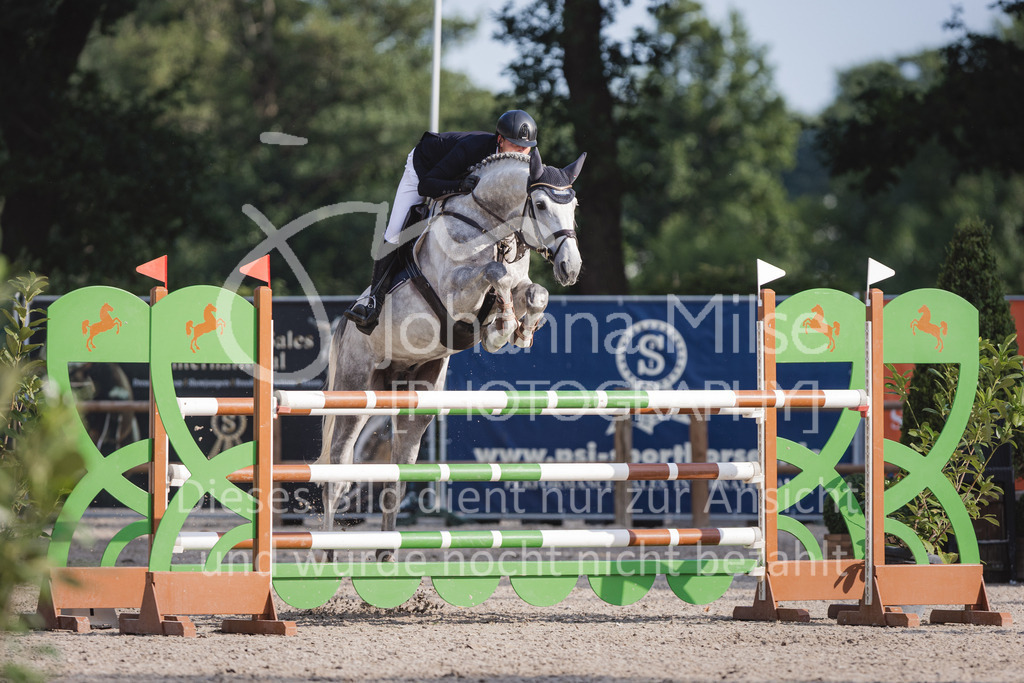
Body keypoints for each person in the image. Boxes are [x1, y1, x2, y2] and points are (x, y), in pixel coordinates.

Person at [343, 110, 539, 333]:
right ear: (500, 140)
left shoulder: (525, 163)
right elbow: (426, 185)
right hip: (426, 169)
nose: (522, 152)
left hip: (462, 181)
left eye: (526, 147)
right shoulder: (472, 149)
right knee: (396, 231)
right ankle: (373, 304)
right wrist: (458, 186)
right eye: (515, 145)